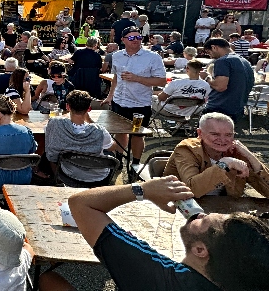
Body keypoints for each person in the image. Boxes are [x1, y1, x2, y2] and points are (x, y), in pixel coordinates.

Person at [68, 175, 269, 291]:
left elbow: (81, 204)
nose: (199, 215)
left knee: (50, 279)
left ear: (200, 250)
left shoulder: (161, 276)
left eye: (204, 219)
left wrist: (142, 189)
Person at [163, 112, 269, 198]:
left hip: (223, 209)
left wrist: (251, 157)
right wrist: (225, 163)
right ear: (200, 133)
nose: (223, 140)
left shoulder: (235, 151)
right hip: (185, 208)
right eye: (215, 134)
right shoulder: (187, 149)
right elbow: (193, 190)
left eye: (228, 135)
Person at [103, 26, 166, 168]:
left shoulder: (152, 57)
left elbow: (161, 81)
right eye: (131, 38)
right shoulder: (116, 55)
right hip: (119, 101)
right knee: (120, 133)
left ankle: (136, 163)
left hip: (140, 104)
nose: (136, 40)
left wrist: (137, 78)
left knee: (137, 135)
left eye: (139, 37)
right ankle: (119, 159)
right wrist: (110, 95)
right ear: (123, 40)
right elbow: (116, 78)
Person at [40, 90, 114, 186]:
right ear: (89, 109)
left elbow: (49, 139)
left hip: (69, 175)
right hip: (98, 178)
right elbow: (112, 147)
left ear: (67, 107)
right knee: (110, 152)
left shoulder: (54, 124)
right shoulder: (100, 131)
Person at [200, 38, 254, 121]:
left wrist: (207, 77)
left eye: (209, 52)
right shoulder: (245, 61)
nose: (210, 56)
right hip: (237, 107)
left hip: (219, 107)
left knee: (205, 132)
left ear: (214, 47)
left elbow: (220, 86)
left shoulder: (223, 61)